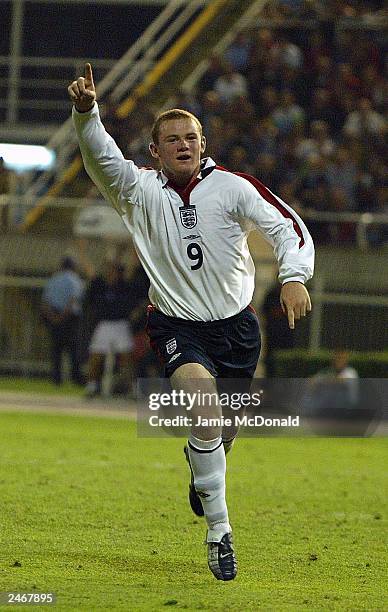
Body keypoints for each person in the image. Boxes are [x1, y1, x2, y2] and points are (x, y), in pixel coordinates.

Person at [68, 64, 314, 581]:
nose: (184, 145)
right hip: (178, 328)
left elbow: (287, 226)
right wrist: (87, 113)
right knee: (204, 412)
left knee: (220, 437)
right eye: (172, 139)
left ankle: (203, 469)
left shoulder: (232, 187)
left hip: (240, 330)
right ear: (155, 151)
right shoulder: (137, 191)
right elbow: (100, 157)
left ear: (203, 144)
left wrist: (294, 277)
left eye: (192, 138)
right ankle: (220, 534)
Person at [41, 256, 85, 386]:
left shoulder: (54, 279)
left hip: (53, 315)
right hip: (70, 318)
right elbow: (73, 300)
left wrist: (53, 317)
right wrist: (62, 316)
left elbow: (45, 301)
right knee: (73, 349)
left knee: (56, 349)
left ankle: (56, 378)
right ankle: (75, 376)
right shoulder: (74, 279)